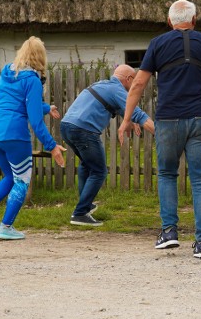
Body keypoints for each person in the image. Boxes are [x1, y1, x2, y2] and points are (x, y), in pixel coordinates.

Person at [118, 0, 201, 260]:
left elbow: (137, 85)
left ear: (170, 22)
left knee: (167, 174)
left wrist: (126, 119)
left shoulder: (158, 44)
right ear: (194, 20)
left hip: (169, 119)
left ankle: (169, 232)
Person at [0, 36, 66, 240]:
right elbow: (35, 121)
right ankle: (6, 226)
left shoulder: (7, 72)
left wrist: (46, 108)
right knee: (22, 181)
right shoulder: (32, 80)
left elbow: (16, 102)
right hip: (14, 135)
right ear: (40, 57)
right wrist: (52, 146)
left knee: (10, 176)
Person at [61, 64, 154, 227]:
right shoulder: (117, 90)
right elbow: (139, 113)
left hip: (67, 126)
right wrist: (160, 134)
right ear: (129, 79)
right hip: (84, 130)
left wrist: (130, 121)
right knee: (99, 171)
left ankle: (86, 204)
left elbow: (119, 108)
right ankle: (80, 213)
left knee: (86, 164)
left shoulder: (102, 85)